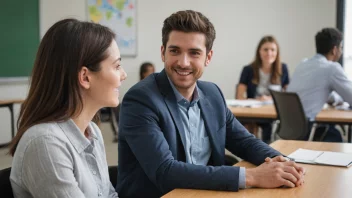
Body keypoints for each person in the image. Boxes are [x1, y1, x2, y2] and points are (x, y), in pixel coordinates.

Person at [117, 10, 304, 198]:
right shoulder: (141, 99)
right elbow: (165, 171)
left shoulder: (212, 94)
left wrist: (284, 163)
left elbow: (244, 142)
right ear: (163, 52)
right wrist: (252, 176)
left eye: (194, 53)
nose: (183, 62)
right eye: (175, 51)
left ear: (208, 57)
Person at [9, 19, 127, 197]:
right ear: (85, 77)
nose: (123, 75)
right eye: (117, 66)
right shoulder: (46, 143)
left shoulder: (92, 131)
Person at [287, 28, 352, 142]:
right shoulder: (332, 68)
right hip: (309, 129)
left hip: (289, 127)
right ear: (334, 50)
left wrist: (335, 98)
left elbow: (314, 89)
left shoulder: (303, 64)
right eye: (341, 47)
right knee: (335, 136)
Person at [237, 36, 290, 143]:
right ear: (259, 51)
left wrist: (268, 98)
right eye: (265, 49)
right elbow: (239, 95)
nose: (269, 53)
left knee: (269, 128)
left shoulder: (283, 68)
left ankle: (269, 153)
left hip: (273, 111)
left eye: (272, 50)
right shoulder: (248, 69)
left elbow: (287, 95)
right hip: (254, 111)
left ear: (277, 52)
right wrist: (256, 100)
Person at [111, 62, 156, 142]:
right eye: (149, 71)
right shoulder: (139, 89)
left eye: (153, 71)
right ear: (143, 73)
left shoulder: (156, 89)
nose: (152, 73)